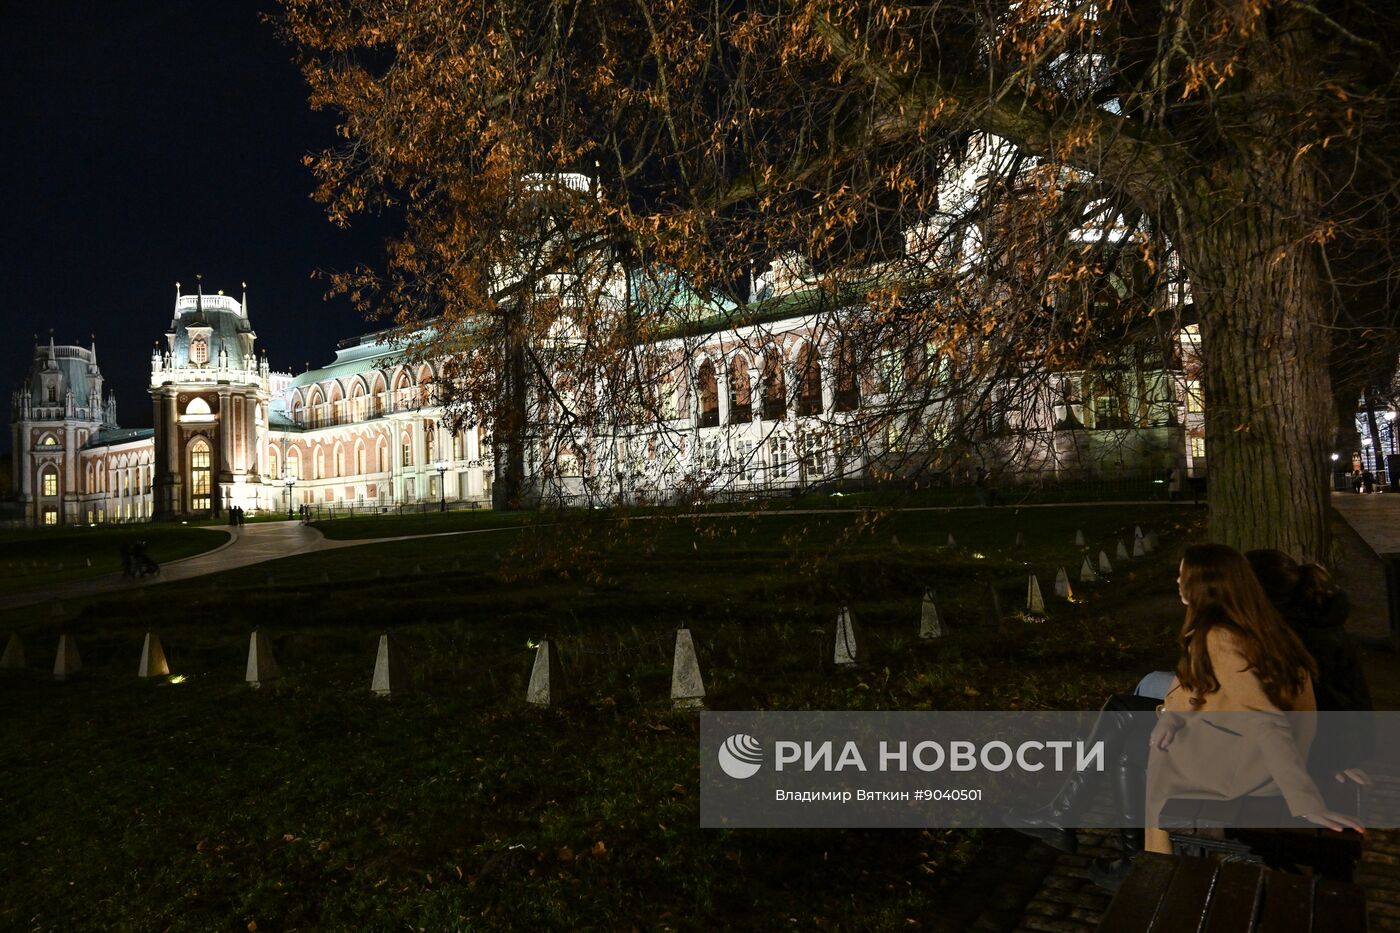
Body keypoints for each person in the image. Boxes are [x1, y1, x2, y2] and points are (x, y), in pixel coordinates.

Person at [1141, 545, 1363, 868]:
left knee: (1157, 756)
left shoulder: (1219, 637)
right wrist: (1171, 715)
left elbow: (1265, 719)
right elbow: (1196, 682)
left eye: (1183, 575)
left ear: (1205, 585)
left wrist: (1303, 799)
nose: (1177, 581)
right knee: (1152, 737)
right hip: (1253, 754)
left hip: (1246, 768)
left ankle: (1158, 868)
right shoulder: (1255, 623)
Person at [1245, 549, 1374, 780]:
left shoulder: (1293, 636)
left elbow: (1323, 698)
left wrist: (1337, 758)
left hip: (1321, 753)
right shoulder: (1317, 618)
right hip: (1335, 745)